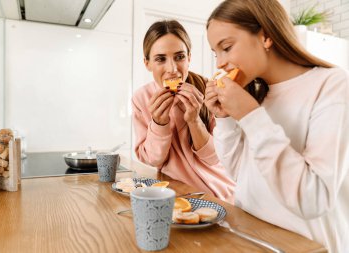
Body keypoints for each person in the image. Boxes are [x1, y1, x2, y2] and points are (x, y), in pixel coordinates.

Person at [204, 0, 349, 252]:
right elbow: (241, 176)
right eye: (215, 53)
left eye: (226, 47)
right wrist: (226, 119)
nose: (219, 63)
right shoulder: (259, 94)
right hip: (251, 240)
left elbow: (313, 199)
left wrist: (250, 115)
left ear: (266, 36)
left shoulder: (332, 85)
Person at [132, 20, 235, 202]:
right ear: (147, 63)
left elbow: (216, 159)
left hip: (221, 192)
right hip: (176, 193)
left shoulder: (208, 88)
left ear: (189, 57)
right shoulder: (141, 99)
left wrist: (194, 120)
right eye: (160, 59)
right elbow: (153, 160)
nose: (172, 69)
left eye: (179, 57)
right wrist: (159, 124)